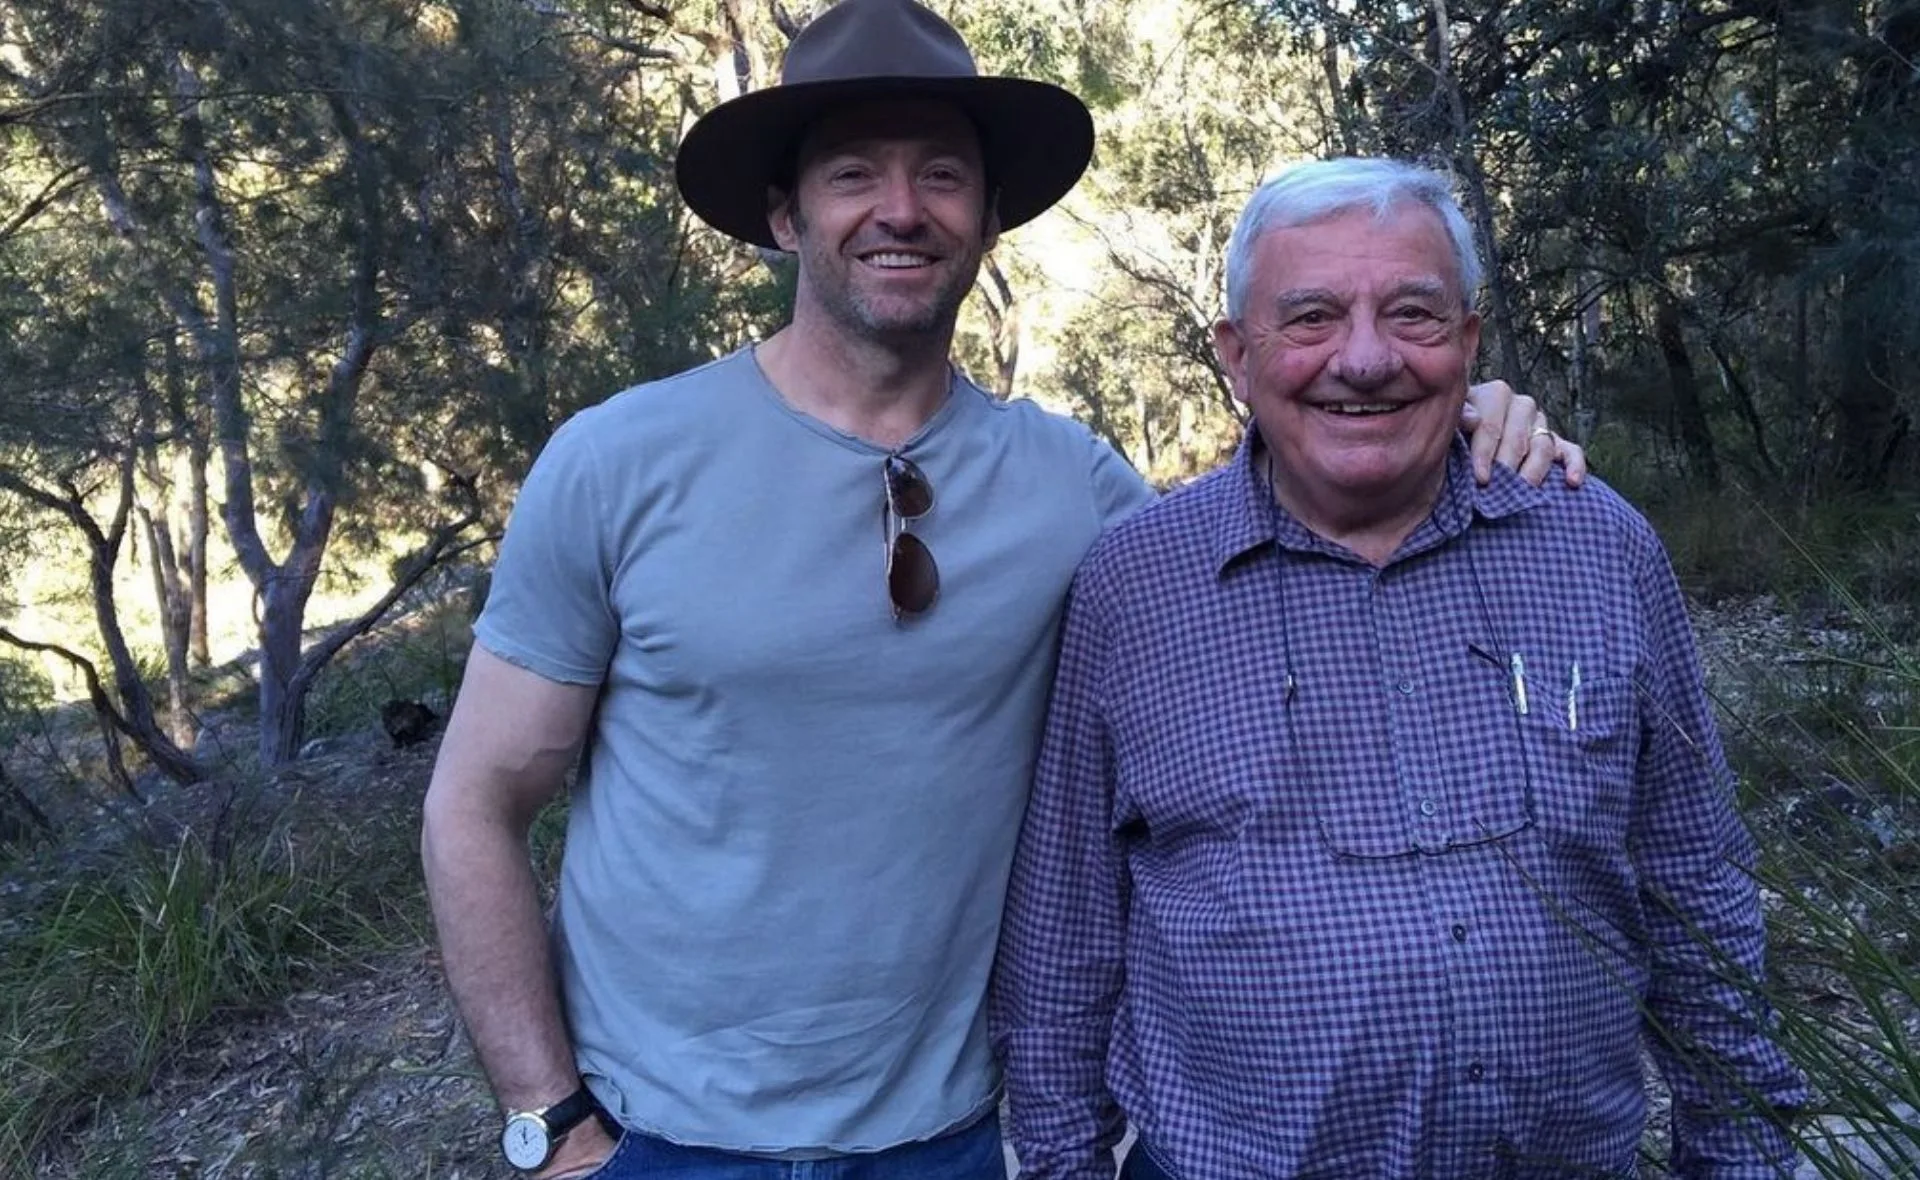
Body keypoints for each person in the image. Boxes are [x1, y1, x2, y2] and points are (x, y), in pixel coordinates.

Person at [419, 4, 1578, 1177]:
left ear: (989, 218)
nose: (901, 208)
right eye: (851, 173)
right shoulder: (619, 464)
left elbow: (1290, 539)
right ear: (784, 213)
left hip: (957, 1138)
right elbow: (475, 802)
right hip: (662, 1139)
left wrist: (1450, 419)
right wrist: (552, 1125)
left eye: (942, 174)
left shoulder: (1077, 490)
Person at [990, 157, 1806, 1180]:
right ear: (1236, 355)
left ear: (1468, 341)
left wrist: (1740, 1155)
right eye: (1312, 317)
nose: (1367, 359)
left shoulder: (1598, 545)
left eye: (1413, 314)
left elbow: (1696, 880)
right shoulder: (1136, 585)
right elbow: (1064, 941)